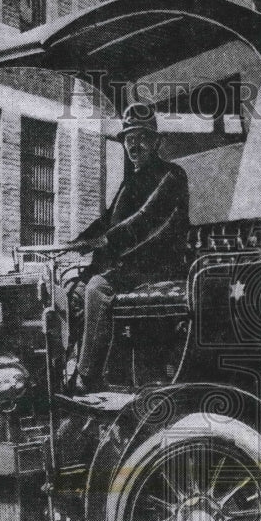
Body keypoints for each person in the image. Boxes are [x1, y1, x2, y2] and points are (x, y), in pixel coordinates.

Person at [68, 102, 189, 392]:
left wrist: (106, 240)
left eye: (142, 138)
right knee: (72, 292)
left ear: (157, 142)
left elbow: (146, 220)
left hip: (157, 271)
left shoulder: (171, 176)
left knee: (97, 287)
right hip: (130, 270)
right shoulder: (130, 182)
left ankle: (88, 376)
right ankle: (73, 364)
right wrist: (75, 242)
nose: (134, 145)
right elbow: (107, 220)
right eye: (129, 139)